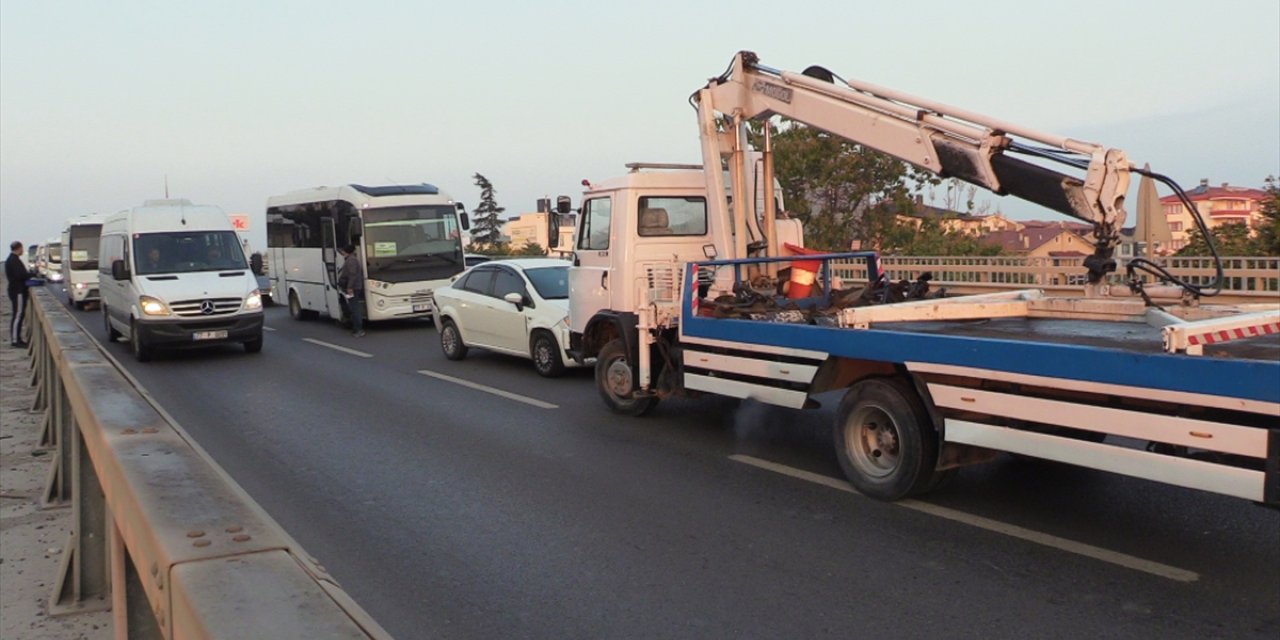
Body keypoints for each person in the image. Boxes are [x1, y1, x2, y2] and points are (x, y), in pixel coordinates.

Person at [6, 241, 34, 347]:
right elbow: (20, 275)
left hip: (17, 290)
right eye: (22, 248)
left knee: (19, 314)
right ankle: (15, 340)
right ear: (19, 248)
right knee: (18, 314)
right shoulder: (13, 260)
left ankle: (17, 338)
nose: (22, 250)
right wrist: (31, 275)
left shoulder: (13, 259)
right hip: (17, 291)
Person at [337, 244, 365, 337]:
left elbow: (352, 275)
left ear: (346, 251)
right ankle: (356, 328)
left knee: (354, 308)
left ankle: (358, 329)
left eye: (343, 251)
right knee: (353, 306)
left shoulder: (351, 260)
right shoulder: (352, 259)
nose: (342, 253)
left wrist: (349, 287)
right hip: (353, 287)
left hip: (353, 288)